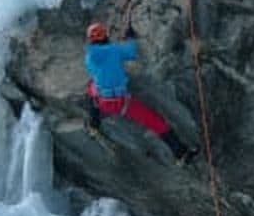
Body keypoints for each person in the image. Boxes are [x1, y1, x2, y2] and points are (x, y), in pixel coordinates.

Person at [84, 21, 198, 165]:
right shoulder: (114, 50)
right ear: (105, 36)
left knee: (92, 86)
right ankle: (181, 153)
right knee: (155, 121)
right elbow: (131, 52)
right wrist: (130, 37)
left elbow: (103, 65)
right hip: (121, 102)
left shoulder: (88, 58)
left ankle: (94, 122)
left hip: (103, 102)